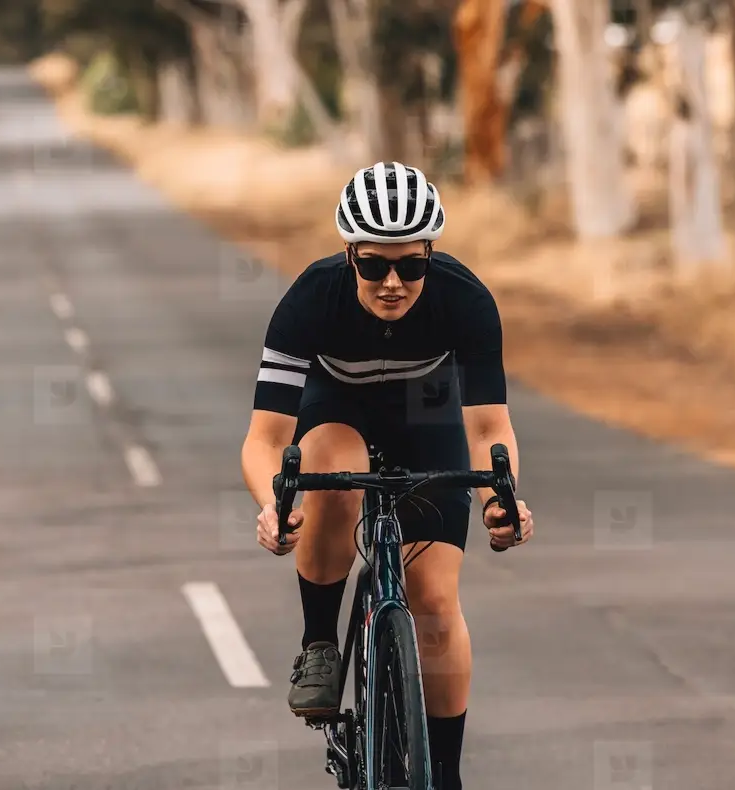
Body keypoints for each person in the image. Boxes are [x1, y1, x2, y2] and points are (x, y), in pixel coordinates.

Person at [241, 161, 534, 790]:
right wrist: (274, 503)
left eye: (412, 266)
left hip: (424, 418)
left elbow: (488, 429)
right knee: (332, 474)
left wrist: (498, 499)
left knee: (433, 601)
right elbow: (265, 438)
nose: (394, 282)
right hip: (336, 410)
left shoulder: (467, 299)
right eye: (375, 265)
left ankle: (446, 776)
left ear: (432, 255)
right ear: (350, 257)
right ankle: (321, 642)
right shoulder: (308, 299)